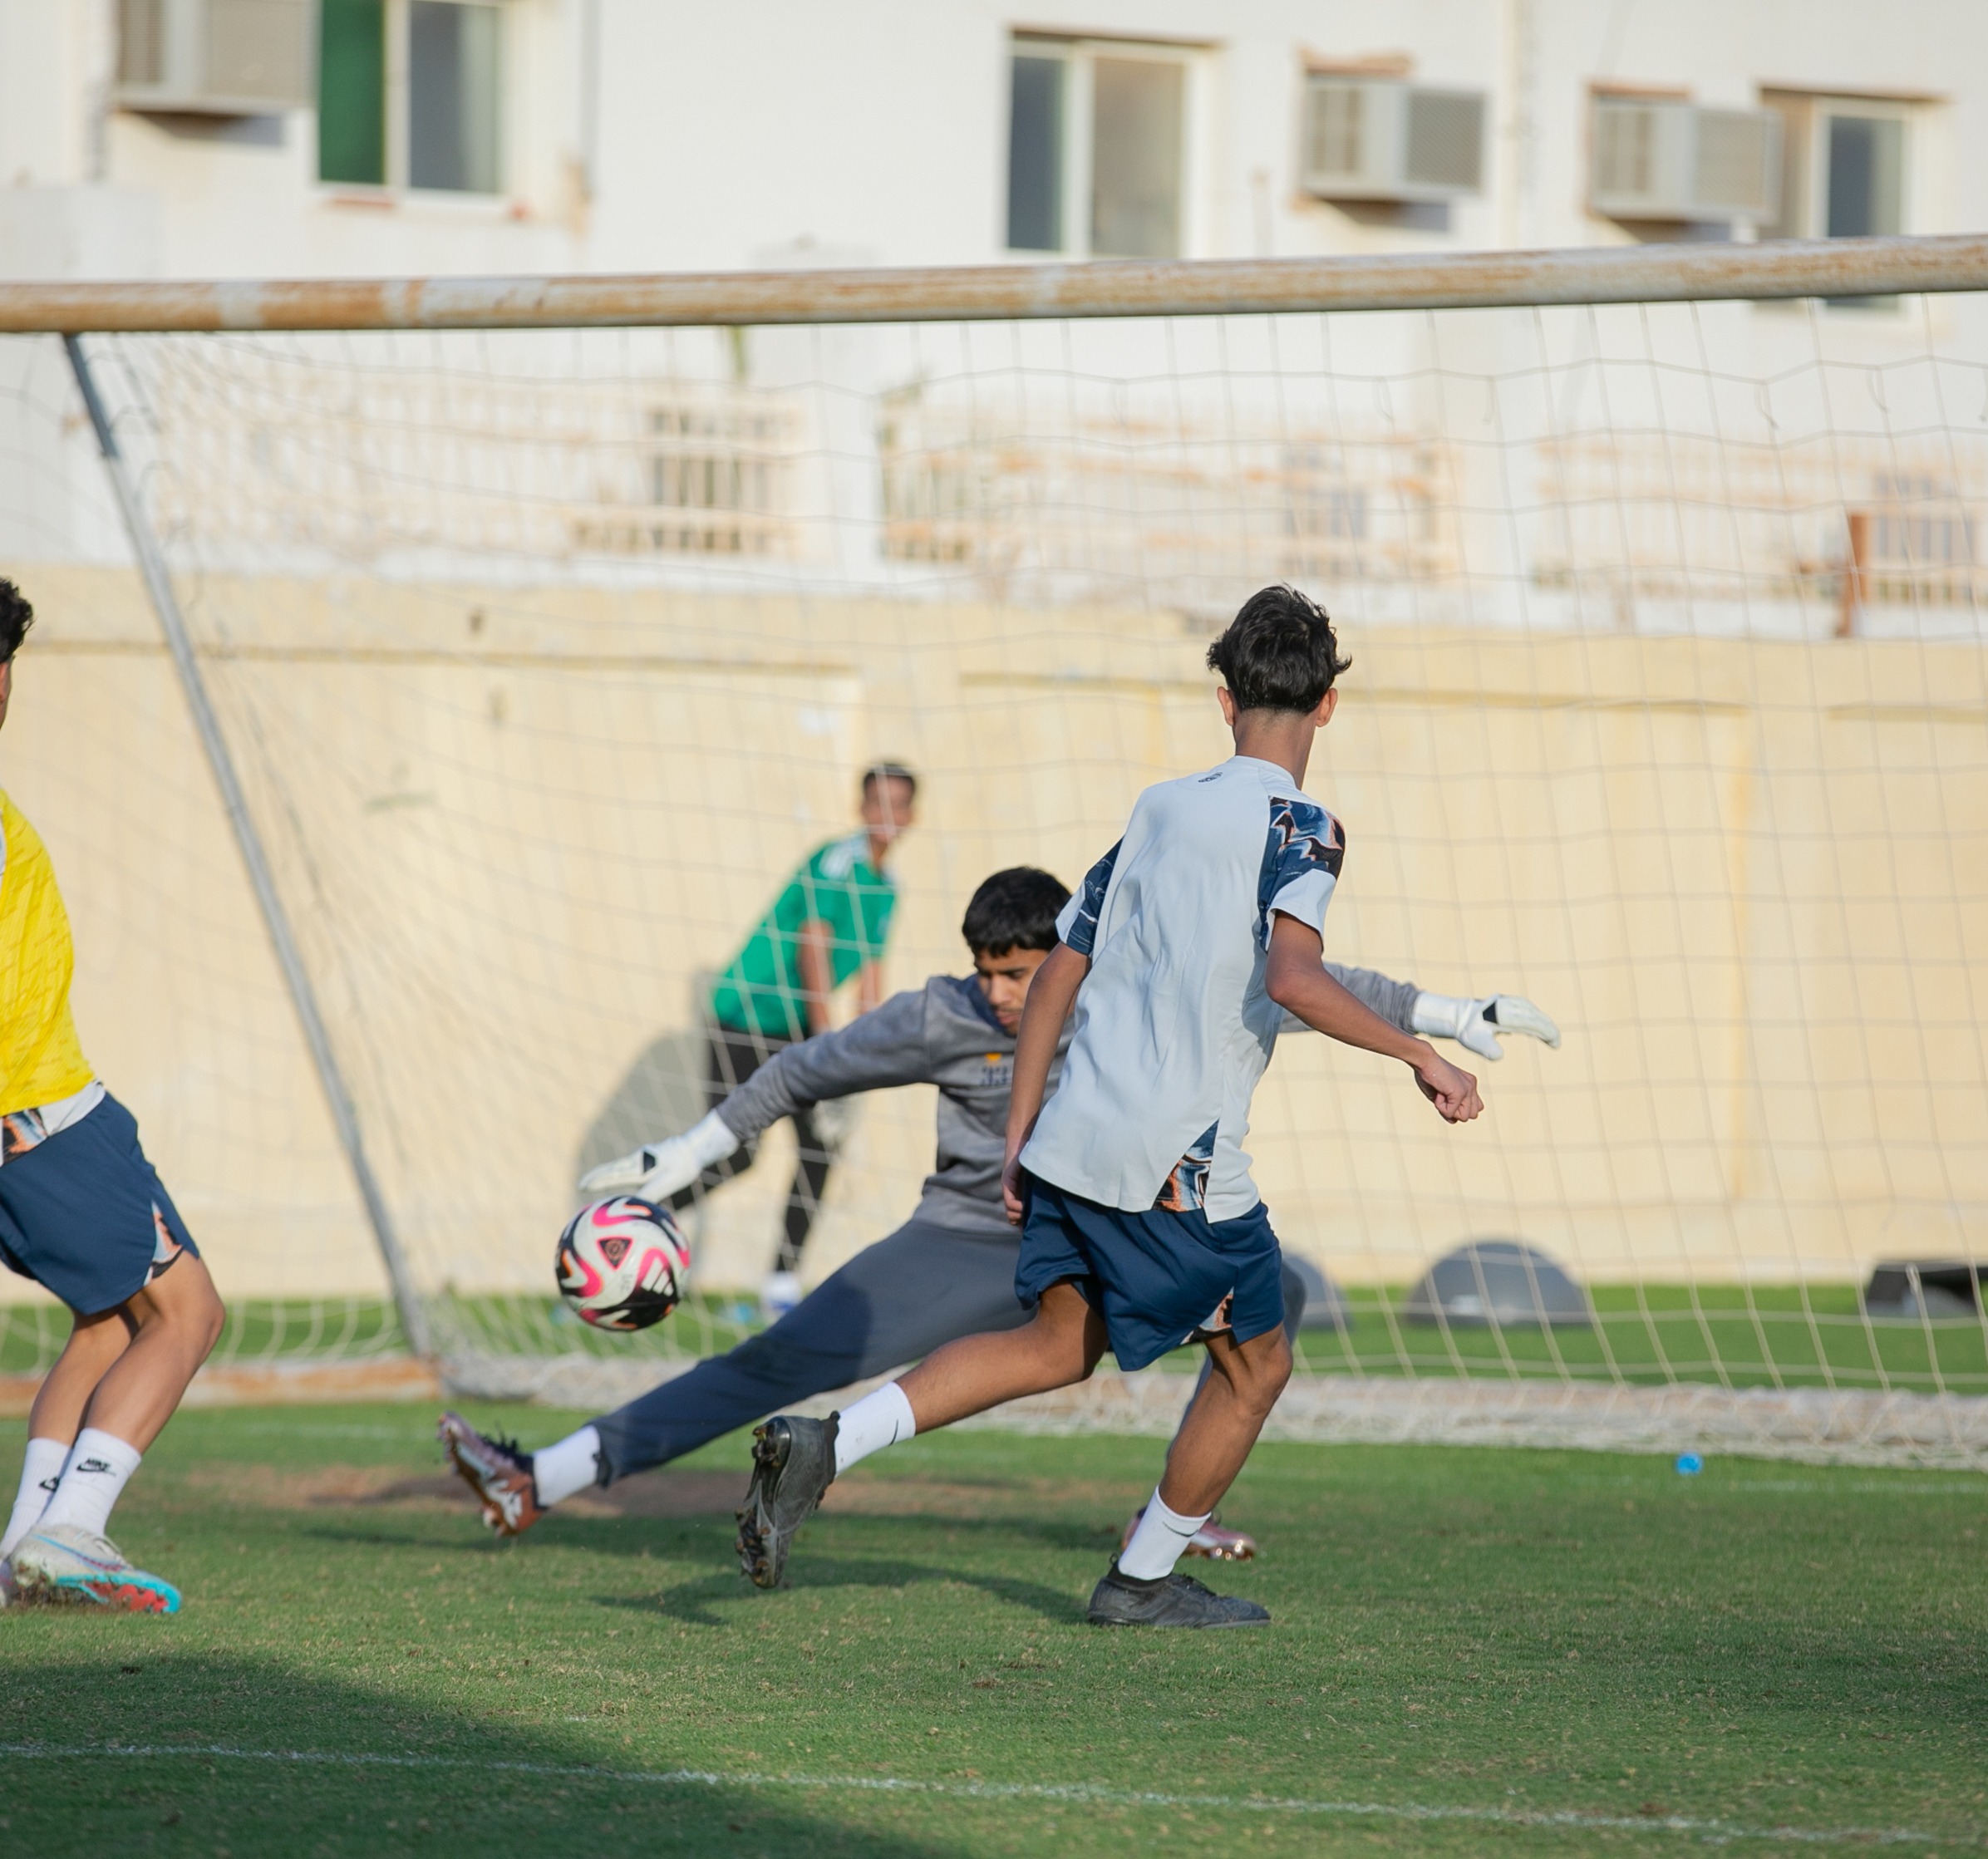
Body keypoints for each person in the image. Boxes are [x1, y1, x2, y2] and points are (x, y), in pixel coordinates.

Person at [732, 585, 1488, 1626]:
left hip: (1072, 1134)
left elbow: (1055, 977)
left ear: (1224, 700)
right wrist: (1422, 1053)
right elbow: (1296, 977)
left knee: (1057, 1342)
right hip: (1177, 1162)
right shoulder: (1303, 826)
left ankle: (830, 1439)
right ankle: (1141, 1580)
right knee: (1256, 1360)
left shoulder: (1158, 807)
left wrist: (1018, 1135)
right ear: (1328, 707)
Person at [440, 863, 1553, 1551]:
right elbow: (798, 1074)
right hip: (965, 1238)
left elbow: (1295, 977)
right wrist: (682, 1156)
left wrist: (1449, 1013)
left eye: (1026, 974)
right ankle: (540, 1480)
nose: (1009, 997)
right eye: (992, 976)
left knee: (1257, 1342)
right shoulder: (938, 1015)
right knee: (777, 1363)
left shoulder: (1123, 986)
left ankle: (1171, 1525)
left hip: (1108, 1230)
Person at [0, 553, 222, 1612]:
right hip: (30, 1107)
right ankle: (77, 1526)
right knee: (190, 1311)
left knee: (112, 1317)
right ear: (1, 677)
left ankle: (17, 1551)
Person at [683, 764, 918, 1319]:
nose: (887, 814)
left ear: (911, 816)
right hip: (746, 1014)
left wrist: (866, 1051)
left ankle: (782, 1285)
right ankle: (631, 1224)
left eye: (898, 804)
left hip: (798, 1028)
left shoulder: (889, 889)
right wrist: (824, 1037)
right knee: (733, 1154)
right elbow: (813, 945)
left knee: (819, 1146)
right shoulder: (834, 862)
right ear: (861, 808)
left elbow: (870, 972)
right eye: (877, 802)